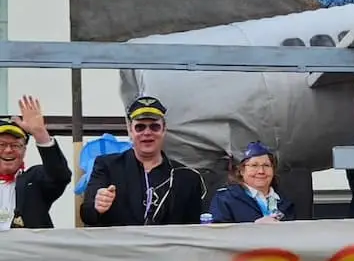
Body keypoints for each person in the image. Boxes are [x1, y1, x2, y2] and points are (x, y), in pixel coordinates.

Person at [81, 97, 205, 227]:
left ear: (164, 130)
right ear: (130, 130)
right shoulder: (107, 167)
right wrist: (97, 207)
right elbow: (86, 215)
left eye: (154, 127)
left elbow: (194, 230)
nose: (147, 133)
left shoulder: (186, 177)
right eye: (140, 127)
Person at [0, 96, 71, 230]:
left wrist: (40, 133)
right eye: (2, 144)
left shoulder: (34, 180)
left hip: (27, 244)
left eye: (15, 145)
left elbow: (60, 176)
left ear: (24, 151)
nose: (8, 150)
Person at [208, 142, 297, 222]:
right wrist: (254, 228)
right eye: (254, 165)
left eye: (266, 165)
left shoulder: (284, 202)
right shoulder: (225, 199)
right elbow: (218, 233)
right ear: (241, 171)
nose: (261, 171)